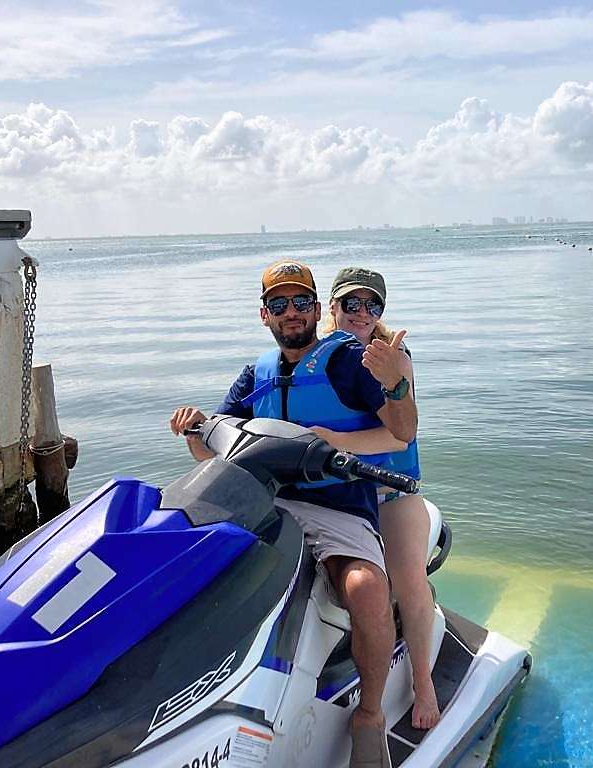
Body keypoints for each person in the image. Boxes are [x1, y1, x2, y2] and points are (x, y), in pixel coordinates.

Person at [169, 260, 416, 768]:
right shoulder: (255, 374)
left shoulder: (348, 359)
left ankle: (369, 716)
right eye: (279, 304)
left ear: (316, 308)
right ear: (265, 315)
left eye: (301, 301)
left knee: (366, 589)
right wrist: (196, 428)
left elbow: (403, 430)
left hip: (337, 507)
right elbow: (215, 450)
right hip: (262, 501)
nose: (291, 313)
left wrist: (394, 386)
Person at [318, 267, 440, 730]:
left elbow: (398, 437)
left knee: (406, 579)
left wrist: (331, 440)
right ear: (333, 307)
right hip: (342, 495)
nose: (362, 314)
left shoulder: (393, 356)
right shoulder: (320, 356)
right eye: (352, 304)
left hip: (391, 491)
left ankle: (423, 682)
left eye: (373, 306)